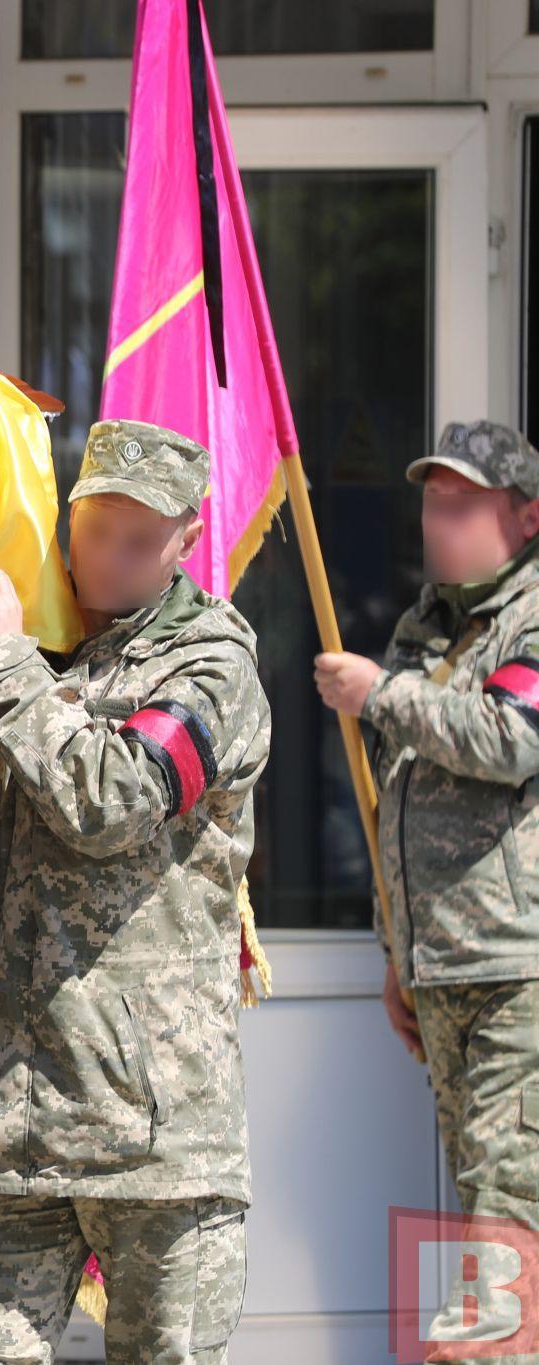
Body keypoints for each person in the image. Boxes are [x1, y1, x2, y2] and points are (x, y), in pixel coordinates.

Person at [0, 420, 272, 1364]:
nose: (108, 558)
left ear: (189, 538)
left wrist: (8, 664)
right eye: (94, 530)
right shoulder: (37, 644)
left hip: (151, 1133)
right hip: (4, 1119)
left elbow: (112, 801)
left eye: (139, 539)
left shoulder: (212, 666)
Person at [313, 420, 539, 1279]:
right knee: (486, 1199)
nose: (439, 523)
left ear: (527, 516)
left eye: (463, 505)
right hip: (441, 967)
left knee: (508, 1213)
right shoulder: (427, 624)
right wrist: (397, 950)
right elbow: (398, 798)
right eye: (433, 505)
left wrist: (381, 693)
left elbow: (509, 735)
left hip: (516, 970)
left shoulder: (531, 615)